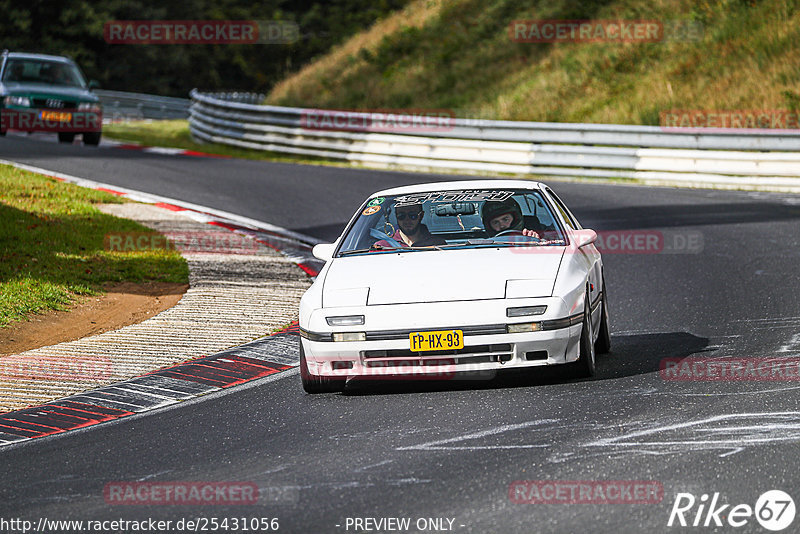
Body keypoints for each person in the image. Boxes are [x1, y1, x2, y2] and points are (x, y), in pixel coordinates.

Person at [373, 202, 446, 248]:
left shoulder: (437, 244)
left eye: (412, 215)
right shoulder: (382, 246)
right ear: (396, 216)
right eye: (401, 216)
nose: (407, 220)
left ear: (421, 216)